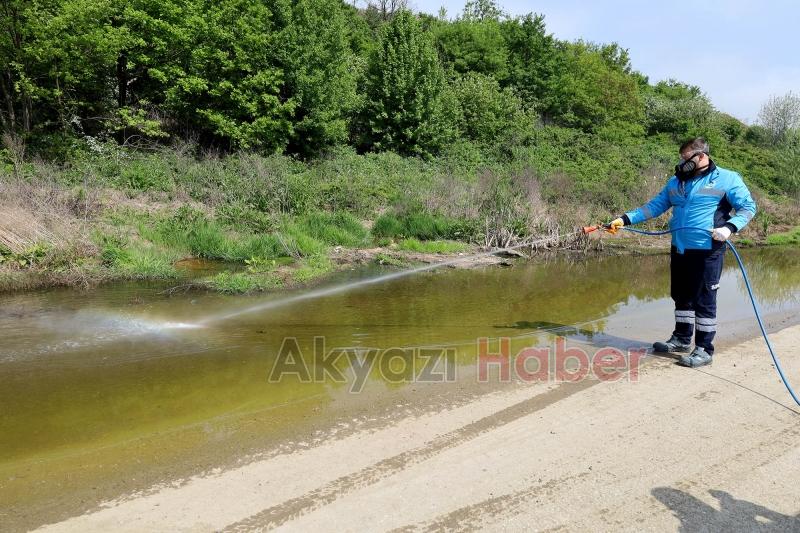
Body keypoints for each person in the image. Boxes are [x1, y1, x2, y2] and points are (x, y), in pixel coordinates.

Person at [609, 138, 757, 367]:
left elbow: (748, 208)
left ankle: (704, 349)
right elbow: (654, 206)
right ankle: (681, 339)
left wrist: (729, 228)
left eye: (686, 158)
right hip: (679, 248)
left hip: (707, 250)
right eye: (681, 158)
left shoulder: (728, 178)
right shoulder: (676, 181)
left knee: (704, 299)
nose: (682, 163)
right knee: (681, 296)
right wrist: (624, 219)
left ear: (701, 155)